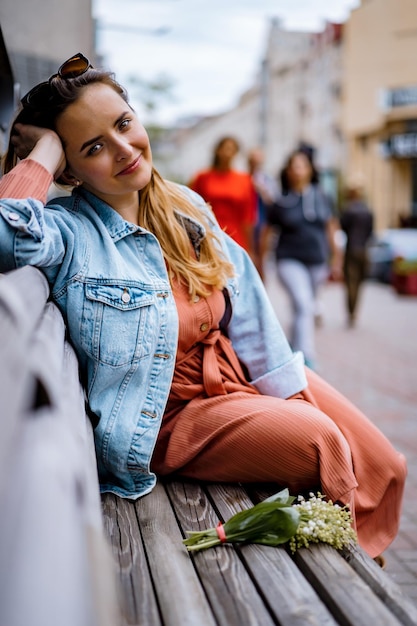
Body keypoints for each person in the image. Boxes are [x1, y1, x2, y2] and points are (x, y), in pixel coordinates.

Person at [0, 53, 406, 562]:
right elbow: (3, 233)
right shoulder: (71, 231)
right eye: (93, 147)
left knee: (382, 461)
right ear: (72, 170)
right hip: (170, 417)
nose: (125, 149)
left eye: (124, 123)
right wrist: (45, 151)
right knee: (324, 442)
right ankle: (350, 574)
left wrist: (288, 393)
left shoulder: (184, 208)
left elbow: (251, 308)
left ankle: (359, 543)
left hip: (231, 375)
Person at [267, 148, 343, 370]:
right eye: (294, 166)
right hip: (288, 259)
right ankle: (305, 358)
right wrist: (260, 260)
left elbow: (332, 227)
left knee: (303, 308)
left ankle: (293, 346)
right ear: (288, 171)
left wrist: (337, 259)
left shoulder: (322, 197)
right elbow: (267, 233)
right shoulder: (281, 201)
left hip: (317, 260)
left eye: (302, 166)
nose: (298, 170)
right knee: (304, 304)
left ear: (310, 170)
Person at [190, 136, 256, 256]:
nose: (228, 153)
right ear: (217, 150)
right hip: (209, 234)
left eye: (231, 149)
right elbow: (190, 206)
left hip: (235, 237)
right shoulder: (203, 177)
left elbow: (248, 216)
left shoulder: (244, 180)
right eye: (225, 148)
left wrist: (250, 248)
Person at [340, 174, 374, 327]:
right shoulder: (367, 211)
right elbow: (370, 232)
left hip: (352, 249)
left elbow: (343, 228)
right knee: (359, 283)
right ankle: (354, 312)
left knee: (351, 283)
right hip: (364, 249)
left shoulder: (348, 210)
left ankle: (351, 312)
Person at [247, 146, 278, 280]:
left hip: (262, 221)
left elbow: (273, 200)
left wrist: (261, 189)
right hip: (247, 221)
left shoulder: (267, 179)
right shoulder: (243, 177)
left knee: (261, 258)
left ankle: (261, 285)